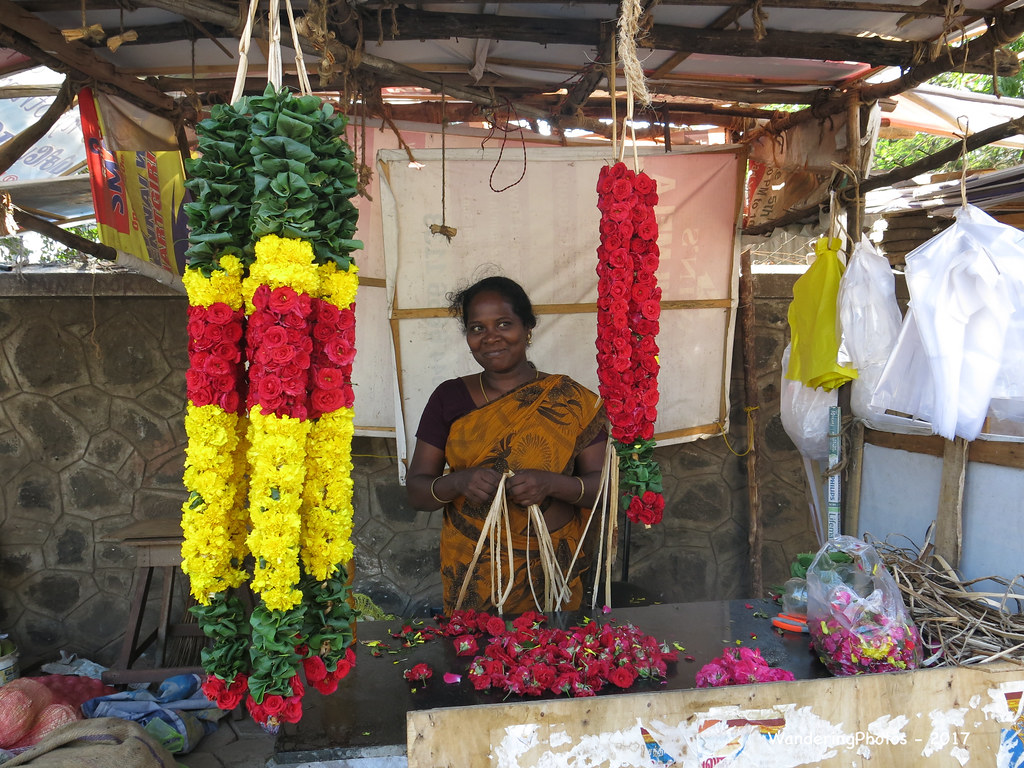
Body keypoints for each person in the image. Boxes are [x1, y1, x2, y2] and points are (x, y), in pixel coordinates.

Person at [407, 276, 607, 615]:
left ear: (527, 328)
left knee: (552, 663)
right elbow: (416, 492)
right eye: (477, 328)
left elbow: (605, 489)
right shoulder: (448, 398)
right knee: (477, 662)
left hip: (550, 569)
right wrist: (458, 482)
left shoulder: (572, 400)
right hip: (473, 571)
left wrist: (552, 484)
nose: (491, 338)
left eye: (504, 324)